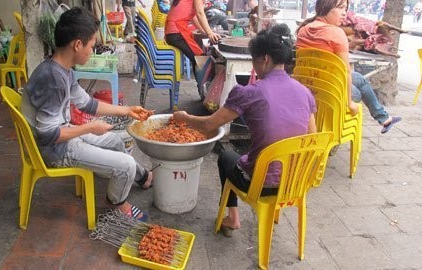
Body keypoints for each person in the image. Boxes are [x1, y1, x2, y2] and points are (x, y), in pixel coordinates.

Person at [173, 24, 317, 237]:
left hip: (260, 184)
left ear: (265, 59)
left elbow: (207, 125)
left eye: (254, 60)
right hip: (297, 182)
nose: (254, 66)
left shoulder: (249, 92)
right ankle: (268, 212)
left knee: (226, 156)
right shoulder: (305, 93)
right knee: (254, 154)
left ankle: (232, 218)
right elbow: (312, 139)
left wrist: (184, 117)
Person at [21, 7, 154, 221]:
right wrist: (91, 127)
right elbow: (46, 135)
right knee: (126, 164)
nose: (93, 51)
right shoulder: (53, 80)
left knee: (117, 143)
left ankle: (143, 177)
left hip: (65, 133)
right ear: (77, 45)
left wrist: (126, 110)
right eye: (92, 46)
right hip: (55, 150)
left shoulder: (62, 68)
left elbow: (87, 104)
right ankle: (116, 204)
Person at [296, 0, 401, 134]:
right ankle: (335, 131)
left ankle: (385, 118)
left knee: (359, 78)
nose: (344, 13)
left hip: (309, 84)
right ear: (325, 7)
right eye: (340, 8)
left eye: (345, 9)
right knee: (356, 89)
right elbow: (345, 71)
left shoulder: (304, 29)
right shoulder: (337, 33)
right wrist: (349, 103)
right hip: (329, 92)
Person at [165, 0, 221, 65]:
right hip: (177, 33)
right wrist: (210, 33)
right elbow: (200, 13)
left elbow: (193, 17)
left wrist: (203, 31)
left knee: (198, 56)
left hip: (171, 33)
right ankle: (205, 74)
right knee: (200, 59)